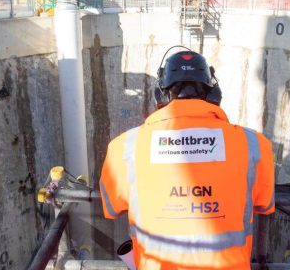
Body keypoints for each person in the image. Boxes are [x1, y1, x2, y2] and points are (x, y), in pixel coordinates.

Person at [99, 49, 275, 269]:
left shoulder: (124, 148)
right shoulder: (254, 145)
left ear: (160, 95)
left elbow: (112, 207)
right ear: (214, 94)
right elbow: (265, 204)